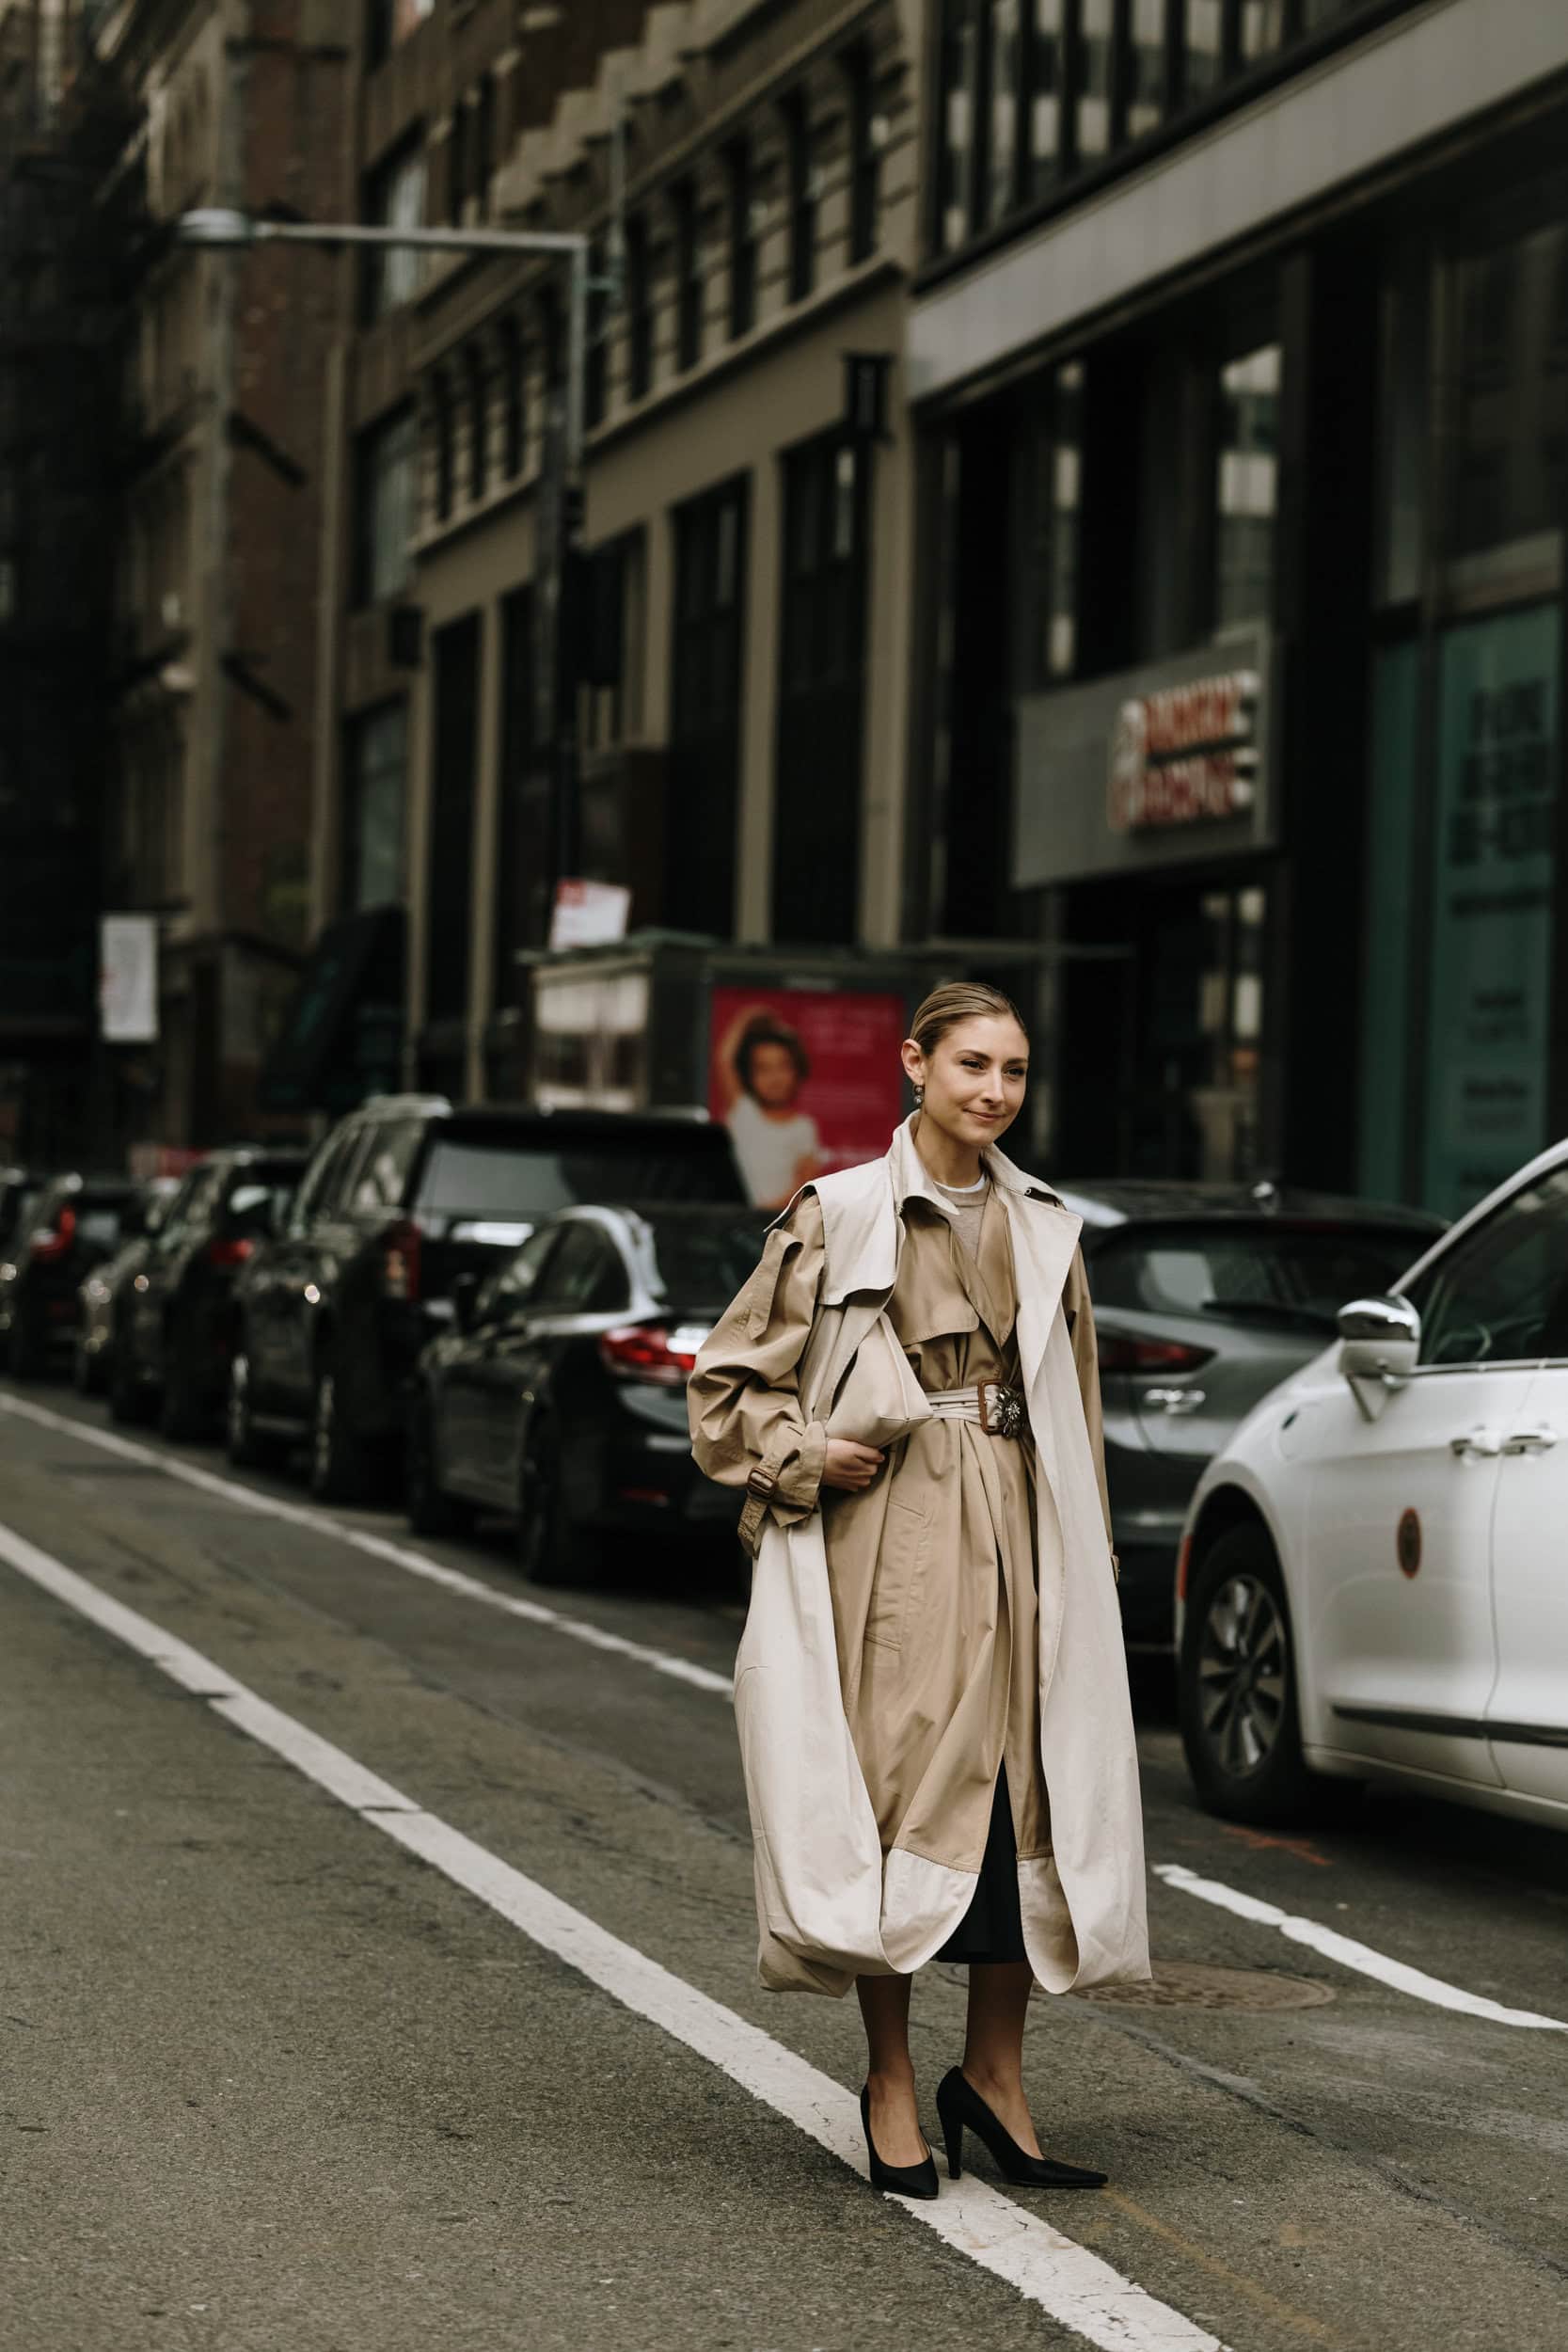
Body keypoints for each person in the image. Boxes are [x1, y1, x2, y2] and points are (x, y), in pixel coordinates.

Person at [689, 981, 1148, 2200]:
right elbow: (725, 1388)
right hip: (891, 1539)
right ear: (913, 1066)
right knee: (896, 1805)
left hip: (1026, 1529)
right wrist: (806, 1458)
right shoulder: (836, 1213)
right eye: (970, 1066)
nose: (993, 1090)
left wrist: (1087, 1562)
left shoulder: (1048, 1226)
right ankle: (890, 2080)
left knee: (1027, 1800)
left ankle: (991, 2080)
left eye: (1013, 1070)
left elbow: (1078, 1411)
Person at [714, 1006, 823, 1209]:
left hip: (774, 1223)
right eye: (763, 1069)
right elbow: (725, 1058)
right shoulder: (744, 1111)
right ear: (749, 1075)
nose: (775, 1078)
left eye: (783, 1066)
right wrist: (752, 1015)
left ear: (797, 1070)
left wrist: (765, 1215)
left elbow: (803, 1189)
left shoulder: (803, 1128)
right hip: (735, 1219)